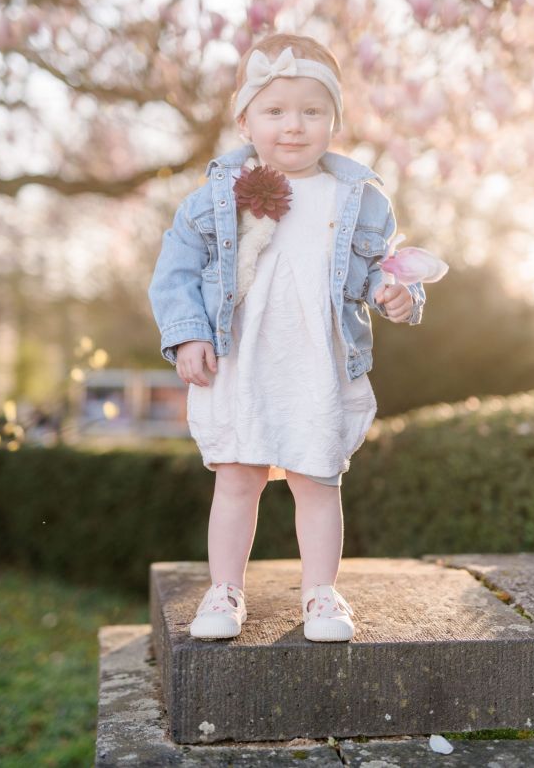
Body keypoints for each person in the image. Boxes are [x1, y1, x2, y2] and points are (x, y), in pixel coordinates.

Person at [148, 32, 426, 643]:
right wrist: (189, 334)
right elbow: (176, 271)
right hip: (242, 357)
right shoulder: (215, 198)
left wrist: (398, 294)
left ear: (334, 120)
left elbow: (381, 268)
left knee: (318, 479)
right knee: (237, 477)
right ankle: (225, 590)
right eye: (274, 111)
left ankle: (321, 593)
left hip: (315, 361)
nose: (293, 126)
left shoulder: (357, 199)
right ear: (245, 120)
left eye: (311, 111)